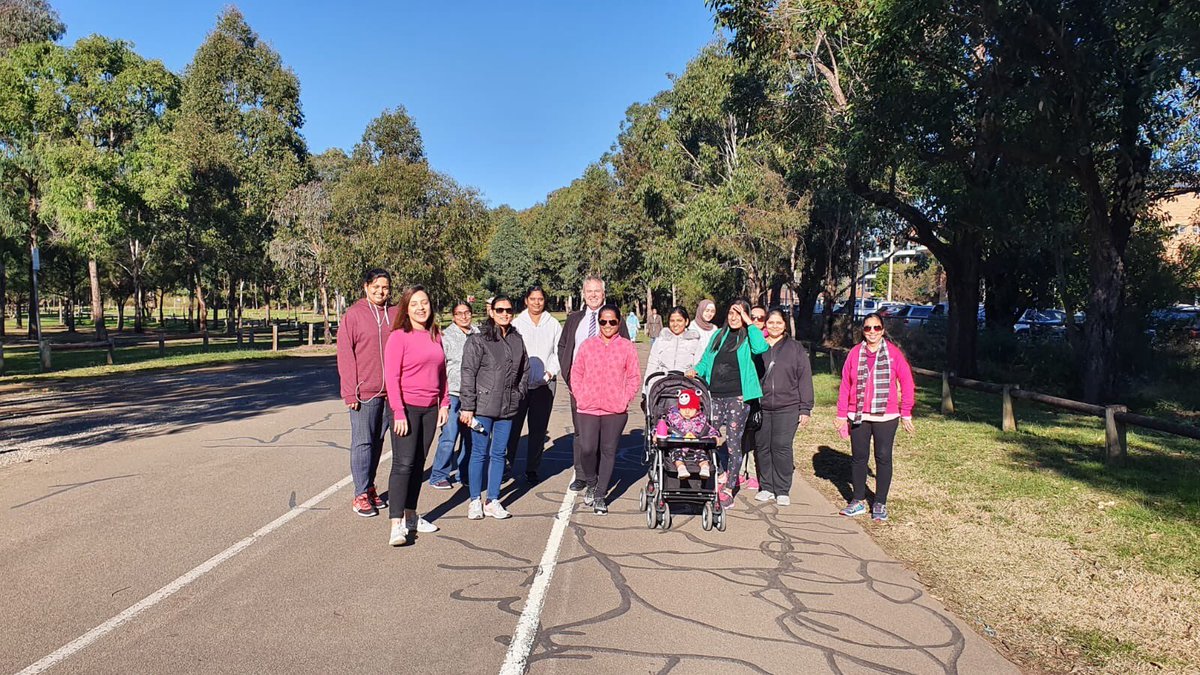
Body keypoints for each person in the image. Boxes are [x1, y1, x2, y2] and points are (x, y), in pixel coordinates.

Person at [383, 285, 449, 546]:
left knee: (418, 463)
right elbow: (392, 377)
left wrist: (443, 403)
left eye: (425, 302)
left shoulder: (435, 335)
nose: (421, 308)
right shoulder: (399, 337)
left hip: (430, 410)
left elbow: (442, 373)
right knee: (403, 464)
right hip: (406, 409)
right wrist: (398, 412)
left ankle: (412, 515)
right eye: (414, 304)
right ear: (406, 309)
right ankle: (396, 524)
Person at [836, 312, 916, 523]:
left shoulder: (893, 353)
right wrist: (841, 414)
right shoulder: (855, 353)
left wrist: (906, 412)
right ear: (862, 331)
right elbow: (845, 385)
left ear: (883, 330)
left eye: (876, 328)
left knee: (883, 457)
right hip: (859, 413)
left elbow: (907, 382)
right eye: (868, 328)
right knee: (859, 458)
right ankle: (858, 500)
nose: (872, 332)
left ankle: (879, 502)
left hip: (886, 415)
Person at [689, 299, 768, 509]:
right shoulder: (718, 335)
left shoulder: (749, 337)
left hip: (738, 398)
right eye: (732, 313)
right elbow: (706, 360)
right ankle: (722, 474)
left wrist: (748, 322)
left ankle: (729, 488)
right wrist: (696, 370)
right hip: (714, 395)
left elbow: (761, 347)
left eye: (739, 314)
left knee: (733, 444)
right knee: (707, 438)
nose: (734, 317)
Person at [556, 275, 629, 492]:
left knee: (603, 434)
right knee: (581, 433)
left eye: (597, 291)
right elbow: (563, 347)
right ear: (584, 294)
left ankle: (600, 474)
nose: (593, 295)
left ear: (604, 293)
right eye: (589, 291)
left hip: (608, 388)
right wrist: (569, 375)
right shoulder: (574, 319)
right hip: (579, 385)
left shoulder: (614, 318)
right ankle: (583, 475)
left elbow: (625, 349)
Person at [460, 295, 529, 521]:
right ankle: (474, 501)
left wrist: (518, 394)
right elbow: (468, 373)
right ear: (491, 312)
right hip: (482, 407)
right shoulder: (478, 339)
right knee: (479, 453)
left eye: (509, 310)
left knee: (499, 453)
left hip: (507, 408)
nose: (505, 314)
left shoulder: (517, 340)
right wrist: (468, 406)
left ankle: (493, 499)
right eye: (500, 310)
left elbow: (524, 370)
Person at [571, 304, 641, 515]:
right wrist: (581, 395)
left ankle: (601, 494)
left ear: (618, 322)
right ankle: (591, 482)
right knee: (587, 448)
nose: (608, 325)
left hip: (615, 410)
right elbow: (576, 373)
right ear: (599, 322)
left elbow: (634, 376)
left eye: (612, 321)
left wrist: (624, 398)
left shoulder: (627, 347)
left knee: (609, 451)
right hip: (588, 407)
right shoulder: (587, 345)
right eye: (603, 321)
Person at [337, 268, 396, 517]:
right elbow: (345, 354)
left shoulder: (394, 313)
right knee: (363, 442)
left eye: (385, 288)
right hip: (365, 393)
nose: (381, 292)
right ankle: (360, 494)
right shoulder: (354, 315)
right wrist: (350, 391)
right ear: (366, 287)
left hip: (391, 392)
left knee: (377, 443)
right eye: (376, 287)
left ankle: (370, 486)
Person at [753, 308, 814, 507]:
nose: (774, 326)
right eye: (770, 322)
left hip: (788, 406)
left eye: (779, 323)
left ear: (785, 325)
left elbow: (804, 378)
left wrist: (805, 408)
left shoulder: (795, 348)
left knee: (781, 447)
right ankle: (767, 486)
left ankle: (782, 489)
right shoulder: (758, 347)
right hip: (761, 406)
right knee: (762, 447)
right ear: (765, 324)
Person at [508, 285, 562, 483]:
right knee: (513, 428)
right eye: (533, 299)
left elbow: (559, 351)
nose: (537, 302)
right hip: (519, 385)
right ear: (526, 300)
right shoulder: (517, 323)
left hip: (544, 385)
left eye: (540, 299)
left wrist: (550, 372)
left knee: (538, 430)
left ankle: (532, 468)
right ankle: (507, 465)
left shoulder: (553, 324)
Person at [428, 301, 477, 490]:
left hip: (472, 395)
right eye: (459, 314)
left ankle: (464, 474)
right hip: (453, 394)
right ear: (454, 316)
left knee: (470, 437)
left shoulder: (478, 335)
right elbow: (440, 366)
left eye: (467, 313)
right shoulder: (446, 336)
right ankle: (439, 474)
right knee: (449, 436)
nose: (464, 317)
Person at [653, 388, 718, 479]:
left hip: (697, 446)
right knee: (677, 455)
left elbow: (709, 429)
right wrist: (657, 434)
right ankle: (681, 468)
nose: (687, 412)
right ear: (679, 408)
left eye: (691, 409)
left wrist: (714, 436)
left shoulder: (701, 420)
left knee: (702, 456)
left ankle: (704, 468)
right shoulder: (673, 418)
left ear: (697, 409)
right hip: (678, 446)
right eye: (684, 409)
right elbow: (663, 426)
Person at [644, 306, 705, 395]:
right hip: (662, 389)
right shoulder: (660, 340)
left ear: (686, 321)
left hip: (686, 388)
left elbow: (699, 365)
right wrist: (645, 391)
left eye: (679, 320)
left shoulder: (694, 342)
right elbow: (652, 365)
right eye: (672, 321)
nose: (675, 324)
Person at [741, 304, 769, 491]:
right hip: (744, 390)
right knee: (740, 433)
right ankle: (739, 470)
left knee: (755, 434)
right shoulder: (742, 336)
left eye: (760, 318)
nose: (757, 321)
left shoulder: (766, 340)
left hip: (761, 393)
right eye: (753, 317)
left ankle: (752, 471)